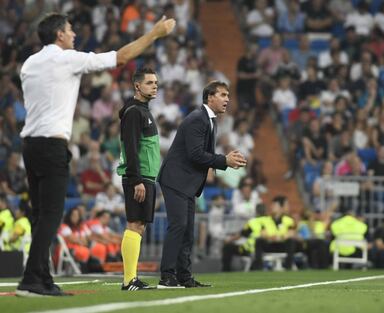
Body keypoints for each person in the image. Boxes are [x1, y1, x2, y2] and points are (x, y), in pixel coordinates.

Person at [17, 12, 175, 297]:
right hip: (52, 144)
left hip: (29, 144)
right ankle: (32, 278)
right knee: (51, 216)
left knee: (40, 215)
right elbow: (121, 57)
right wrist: (154, 34)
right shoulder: (67, 58)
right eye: (69, 29)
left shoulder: (29, 63)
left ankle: (40, 277)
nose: (74, 34)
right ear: (59, 35)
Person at [157, 81, 247, 288]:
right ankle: (167, 276)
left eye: (228, 95)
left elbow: (198, 155)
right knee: (179, 226)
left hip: (186, 183)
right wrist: (224, 160)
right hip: (176, 180)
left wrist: (218, 164)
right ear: (209, 97)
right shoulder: (198, 119)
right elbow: (195, 154)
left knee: (187, 231)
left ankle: (184, 277)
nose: (227, 99)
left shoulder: (209, 120)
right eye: (223, 95)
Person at [116, 67, 161, 290]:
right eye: (150, 82)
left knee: (139, 226)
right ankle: (128, 280)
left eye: (156, 83)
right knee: (134, 223)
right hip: (139, 177)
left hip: (146, 176)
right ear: (137, 86)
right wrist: (136, 180)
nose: (155, 86)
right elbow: (131, 148)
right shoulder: (134, 112)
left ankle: (131, 278)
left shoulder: (142, 110)